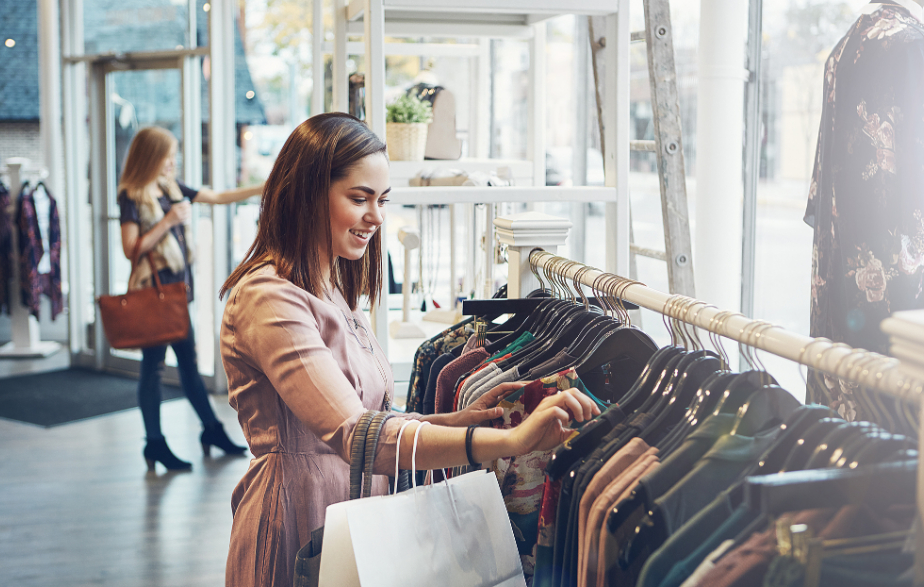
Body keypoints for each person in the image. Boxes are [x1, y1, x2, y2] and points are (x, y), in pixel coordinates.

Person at [218, 112, 599, 586]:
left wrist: (457, 421)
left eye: (381, 200)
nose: (376, 216)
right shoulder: (268, 297)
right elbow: (355, 434)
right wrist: (508, 444)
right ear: (306, 192)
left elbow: (374, 418)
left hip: (353, 516)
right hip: (298, 515)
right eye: (359, 198)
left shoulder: (330, 287)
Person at [118, 125, 263, 471]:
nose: (172, 161)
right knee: (153, 368)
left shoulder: (170, 188)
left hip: (177, 293)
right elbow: (130, 250)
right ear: (151, 156)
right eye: (167, 155)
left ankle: (209, 430)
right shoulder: (133, 195)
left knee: (187, 363)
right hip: (155, 295)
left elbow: (217, 197)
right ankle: (157, 443)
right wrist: (168, 221)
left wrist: (267, 185)